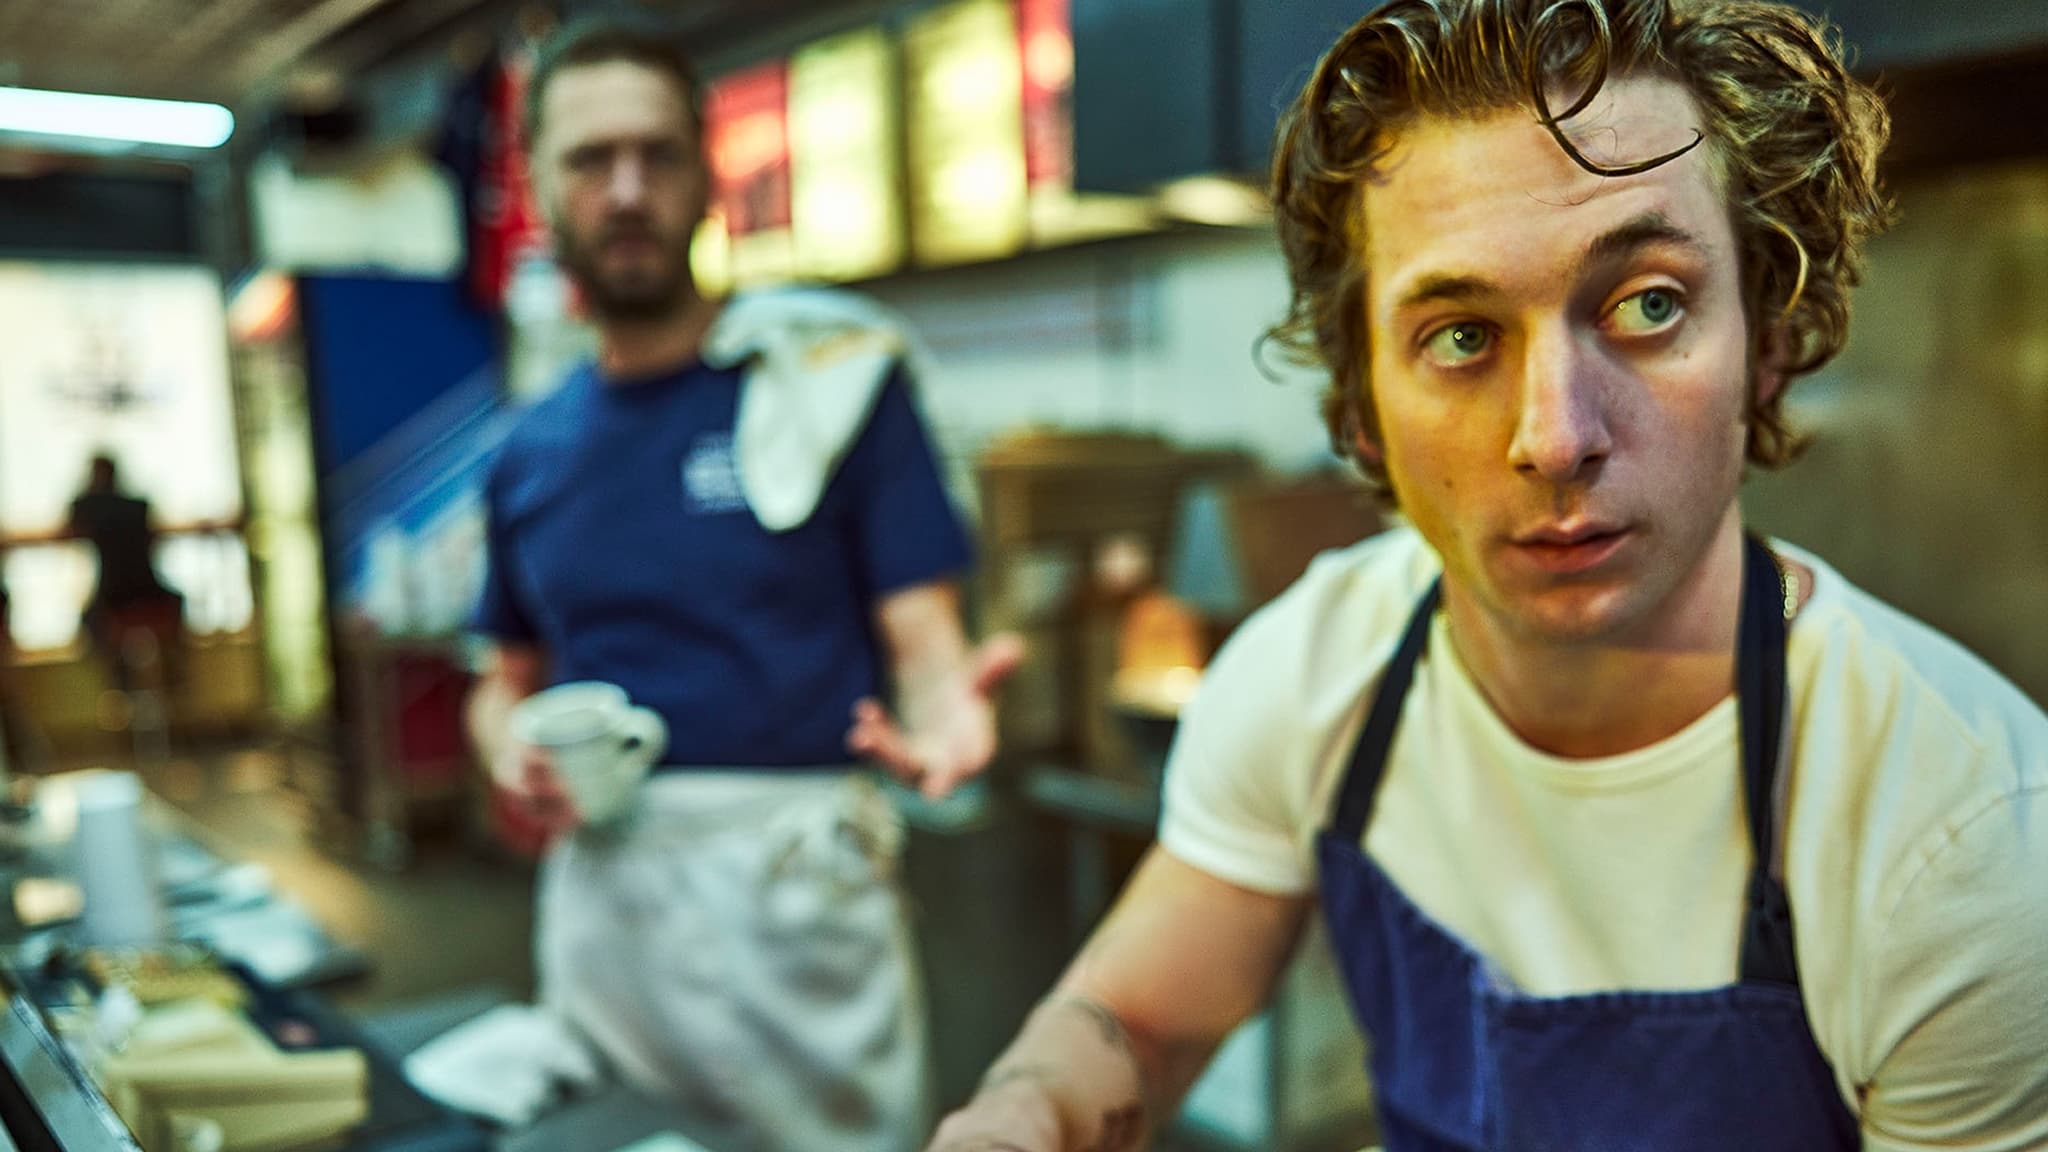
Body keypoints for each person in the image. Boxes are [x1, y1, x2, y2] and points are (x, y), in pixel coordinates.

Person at [927, 0, 2048, 1149]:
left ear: (1764, 342)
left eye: (1647, 304)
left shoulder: (1962, 843)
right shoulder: (1317, 673)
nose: (1553, 437)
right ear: (1361, 411)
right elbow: (1139, 1024)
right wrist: (1023, 1112)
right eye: (1459, 336)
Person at [464, 14, 1020, 1152]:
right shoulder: (526, 453)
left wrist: (945, 716)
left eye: (657, 154)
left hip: (798, 902)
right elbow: (500, 676)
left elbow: (925, 641)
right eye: (590, 159)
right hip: (606, 910)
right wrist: (505, 749)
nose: (627, 191)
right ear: (541, 189)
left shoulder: (831, 388)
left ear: (707, 174)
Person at [68, 454, 183, 689]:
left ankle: (117, 684)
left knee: (90, 623)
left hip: (113, 597)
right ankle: (175, 678)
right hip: (150, 590)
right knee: (177, 604)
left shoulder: (89, 507)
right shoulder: (138, 506)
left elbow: (72, 522)